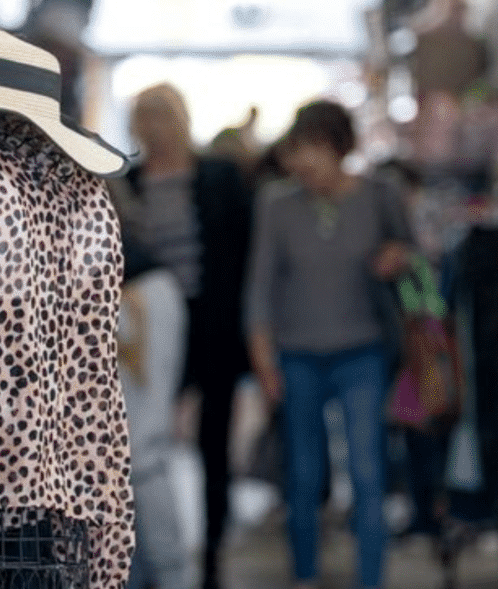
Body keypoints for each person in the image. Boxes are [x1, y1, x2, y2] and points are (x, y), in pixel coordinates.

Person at [245, 100, 414, 589]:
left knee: (367, 470)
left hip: (363, 351)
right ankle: (304, 574)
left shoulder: (381, 195)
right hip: (297, 355)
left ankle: (371, 577)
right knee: (302, 473)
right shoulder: (276, 204)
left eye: (313, 149)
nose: (303, 162)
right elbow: (260, 284)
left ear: (340, 148)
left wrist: (397, 257)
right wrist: (261, 352)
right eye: (298, 150)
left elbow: (414, 253)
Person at [111, 83, 252, 589]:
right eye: (144, 118)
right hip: (152, 318)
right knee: (147, 441)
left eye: (161, 117)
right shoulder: (126, 180)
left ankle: (209, 556)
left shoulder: (218, 175)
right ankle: (154, 563)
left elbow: (243, 255)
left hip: (212, 323)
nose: (153, 128)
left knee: (213, 445)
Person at [118, 238, 192, 589]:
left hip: (138, 291)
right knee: (134, 457)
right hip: (139, 290)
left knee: (143, 454)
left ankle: (170, 574)